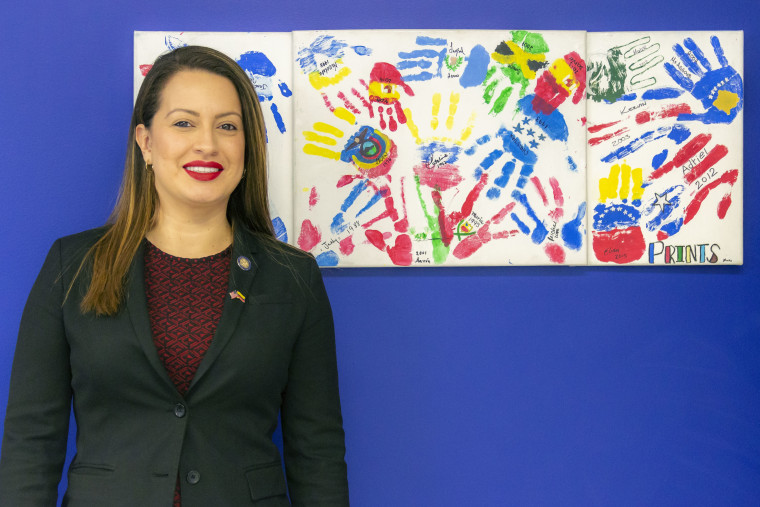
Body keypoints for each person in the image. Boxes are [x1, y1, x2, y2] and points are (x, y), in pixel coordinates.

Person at [0, 45, 349, 506]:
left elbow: (316, 451)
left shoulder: (293, 277)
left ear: (247, 147)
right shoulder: (74, 265)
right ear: (145, 142)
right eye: (184, 123)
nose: (207, 143)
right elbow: (30, 440)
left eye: (227, 126)